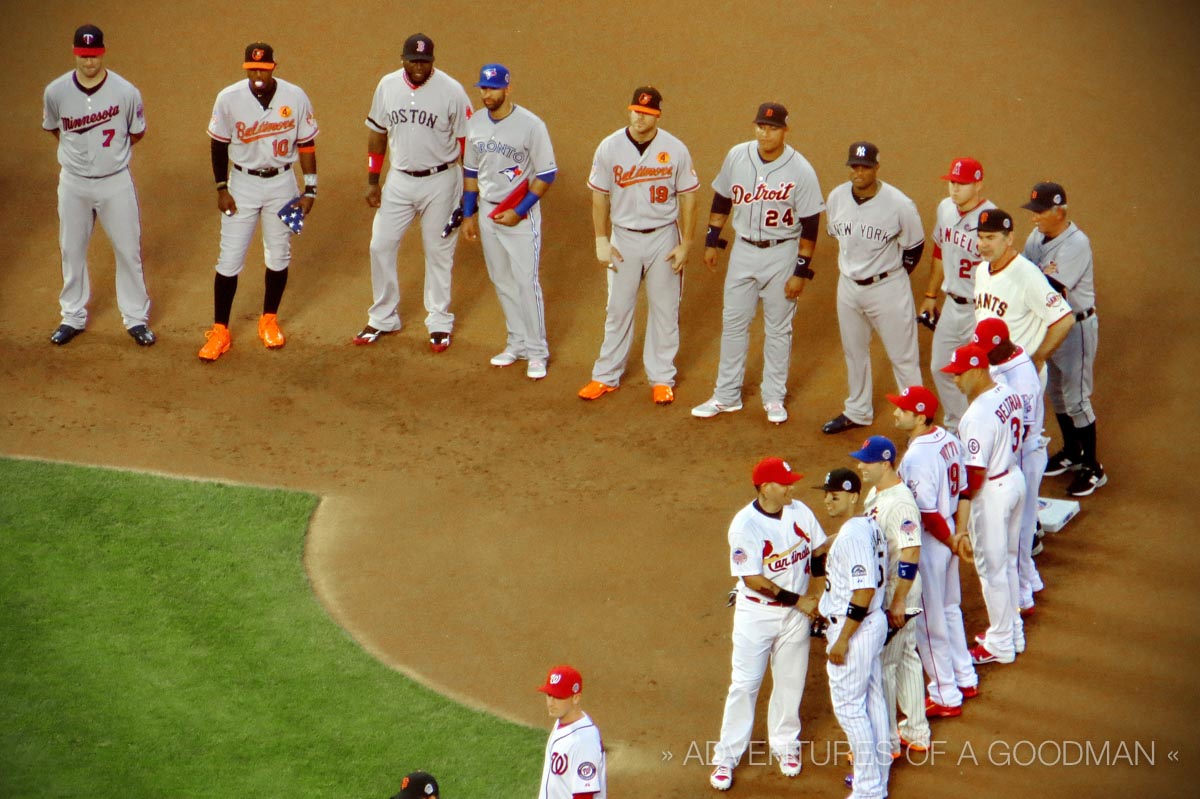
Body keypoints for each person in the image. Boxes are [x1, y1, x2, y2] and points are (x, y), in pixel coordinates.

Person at [691, 103, 824, 425]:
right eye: (762, 127)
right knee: (734, 323)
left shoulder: (801, 170)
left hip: (783, 252)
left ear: (785, 131)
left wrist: (800, 270)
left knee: (778, 328)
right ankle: (726, 395)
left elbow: (810, 224)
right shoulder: (737, 155)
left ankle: (773, 398)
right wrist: (712, 241)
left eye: (773, 128)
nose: (766, 133)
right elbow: (722, 198)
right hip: (743, 250)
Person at [578, 86, 700, 405]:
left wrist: (686, 243)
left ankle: (662, 378)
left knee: (664, 309)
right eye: (636, 110)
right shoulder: (609, 146)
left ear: (657, 114)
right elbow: (599, 195)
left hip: (663, 236)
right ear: (628, 109)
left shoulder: (675, 149)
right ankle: (606, 376)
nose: (639, 117)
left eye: (646, 113)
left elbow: (688, 197)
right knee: (617, 308)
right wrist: (601, 239)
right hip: (624, 236)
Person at [708, 457, 824, 791]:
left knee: (790, 682)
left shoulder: (799, 511)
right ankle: (726, 757)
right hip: (757, 615)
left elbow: (817, 555)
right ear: (765, 488)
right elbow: (752, 578)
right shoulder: (745, 526)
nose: (792, 487)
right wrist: (799, 601)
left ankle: (786, 745)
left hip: (795, 616)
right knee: (744, 685)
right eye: (785, 483)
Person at [353, 33, 473, 353]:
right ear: (403, 59)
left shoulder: (452, 91)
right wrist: (372, 180)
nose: (419, 66)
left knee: (438, 250)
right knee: (381, 244)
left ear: (433, 61)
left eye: (425, 61)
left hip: (442, 180)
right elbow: (377, 133)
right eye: (413, 60)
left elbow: (466, 144)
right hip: (399, 180)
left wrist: (470, 190)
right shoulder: (387, 85)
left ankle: (439, 321)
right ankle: (383, 317)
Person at [200, 43, 318, 361]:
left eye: (263, 69)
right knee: (229, 258)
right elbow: (218, 145)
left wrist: (310, 190)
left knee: (279, 253)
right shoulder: (228, 98)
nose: (257, 75)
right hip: (242, 184)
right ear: (245, 68)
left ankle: (269, 319)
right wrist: (221, 187)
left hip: (283, 183)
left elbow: (306, 144)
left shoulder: (295, 96)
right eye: (252, 69)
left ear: (273, 67)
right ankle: (220, 330)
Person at [42, 24, 154, 347]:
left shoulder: (126, 92)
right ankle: (72, 316)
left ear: (102, 52)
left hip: (115, 182)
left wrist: (110, 158)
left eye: (94, 56)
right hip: (73, 183)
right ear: (75, 53)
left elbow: (137, 131)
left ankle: (136, 318)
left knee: (128, 250)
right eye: (83, 55)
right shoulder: (56, 92)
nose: (89, 62)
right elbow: (54, 128)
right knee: (71, 249)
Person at [886, 386, 978, 718]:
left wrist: (952, 539)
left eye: (902, 409)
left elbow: (925, 512)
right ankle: (965, 677)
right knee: (951, 609)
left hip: (930, 544)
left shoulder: (917, 456)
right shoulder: (949, 439)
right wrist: (960, 534)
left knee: (928, 620)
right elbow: (965, 491)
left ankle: (945, 694)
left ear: (920, 416)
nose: (896, 412)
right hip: (949, 535)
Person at [461, 64, 557, 380]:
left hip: (519, 213)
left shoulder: (531, 125)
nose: (487, 94)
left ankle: (537, 351)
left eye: (493, 88)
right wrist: (469, 213)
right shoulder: (474, 123)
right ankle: (516, 343)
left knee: (526, 283)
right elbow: (472, 172)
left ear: (507, 88)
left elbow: (546, 174)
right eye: (483, 88)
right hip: (488, 212)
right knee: (501, 279)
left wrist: (520, 211)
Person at [821, 143, 924, 435]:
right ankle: (858, 410)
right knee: (854, 352)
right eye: (854, 166)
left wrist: (892, 278)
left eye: (865, 167)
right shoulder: (837, 197)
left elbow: (915, 247)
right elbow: (838, 235)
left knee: (903, 358)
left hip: (888, 287)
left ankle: (918, 420)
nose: (859, 172)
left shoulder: (899, 204)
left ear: (877, 168)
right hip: (848, 286)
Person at [940, 344, 1026, 665]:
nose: (956, 381)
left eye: (960, 374)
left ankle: (1001, 642)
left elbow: (973, 475)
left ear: (977, 370)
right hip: (1015, 479)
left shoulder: (975, 416)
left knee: (992, 571)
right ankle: (1013, 629)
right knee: (1010, 561)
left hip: (992, 493)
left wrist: (960, 522)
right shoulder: (1008, 392)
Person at [1021, 182, 1106, 496]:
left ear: (1060, 211)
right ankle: (1072, 451)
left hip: (1076, 328)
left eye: (1040, 212)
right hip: (1049, 326)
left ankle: (1093, 467)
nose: (1034, 218)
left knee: (1077, 398)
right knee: (1056, 393)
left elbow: (1050, 290)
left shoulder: (1076, 244)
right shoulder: (1036, 237)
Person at [849, 436, 930, 755]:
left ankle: (887, 742)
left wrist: (899, 599)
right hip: (894, 587)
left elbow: (911, 551)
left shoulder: (902, 503)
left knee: (883, 664)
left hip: (900, 589)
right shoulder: (877, 491)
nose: (859, 465)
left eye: (865, 461)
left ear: (885, 463)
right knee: (906, 655)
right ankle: (916, 730)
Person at [815, 467, 891, 799]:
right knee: (871, 698)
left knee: (849, 707)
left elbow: (863, 592)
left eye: (836, 495)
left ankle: (869, 789)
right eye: (827, 494)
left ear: (854, 497)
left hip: (855, 629)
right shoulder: (866, 525)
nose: (828, 500)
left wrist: (843, 638)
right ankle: (879, 773)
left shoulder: (852, 535)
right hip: (870, 626)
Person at [973, 318, 1045, 616]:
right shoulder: (1007, 360)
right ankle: (1030, 580)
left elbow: (1023, 431)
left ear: (1000, 347)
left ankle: (1023, 596)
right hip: (1017, 455)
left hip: (1024, 456)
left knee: (1020, 528)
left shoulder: (1023, 378)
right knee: (1020, 525)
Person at [918, 158, 995, 431]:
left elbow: (1000, 266)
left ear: (978, 185)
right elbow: (940, 251)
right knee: (941, 366)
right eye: (952, 182)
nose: (955, 189)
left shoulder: (991, 218)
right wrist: (930, 294)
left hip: (982, 309)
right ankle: (958, 425)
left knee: (983, 376)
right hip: (952, 305)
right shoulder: (945, 209)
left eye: (962, 184)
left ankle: (985, 432)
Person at [972, 209, 1074, 365]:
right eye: (980, 237)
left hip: (1017, 370)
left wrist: (1038, 358)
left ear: (1009, 238)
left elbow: (1064, 320)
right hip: (990, 368)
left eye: (991, 237)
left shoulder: (1027, 275)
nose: (983, 244)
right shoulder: (981, 270)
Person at [537, 665, 606, 799]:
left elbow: (584, 795)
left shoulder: (584, 742)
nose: (551, 702)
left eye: (558, 697)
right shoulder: (562, 722)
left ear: (575, 698)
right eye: (549, 695)